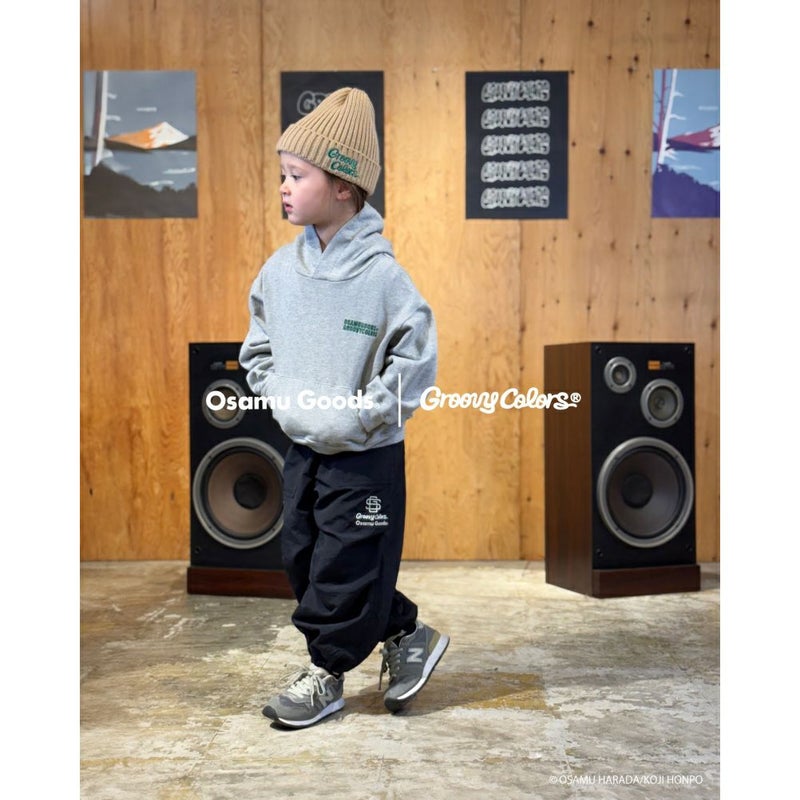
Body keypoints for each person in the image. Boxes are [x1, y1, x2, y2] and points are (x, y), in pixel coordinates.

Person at [239, 87, 449, 729]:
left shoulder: (384, 278)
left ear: (342, 187)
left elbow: (416, 359)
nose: (283, 187)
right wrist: (282, 397)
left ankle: (325, 675)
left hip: (365, 457)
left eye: (297, 175)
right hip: (304, 447)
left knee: (346, 566)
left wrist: (366, 415)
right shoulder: (279, 271)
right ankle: (407, 634)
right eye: (282, 174)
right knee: (304, 560)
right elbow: (257, 349)